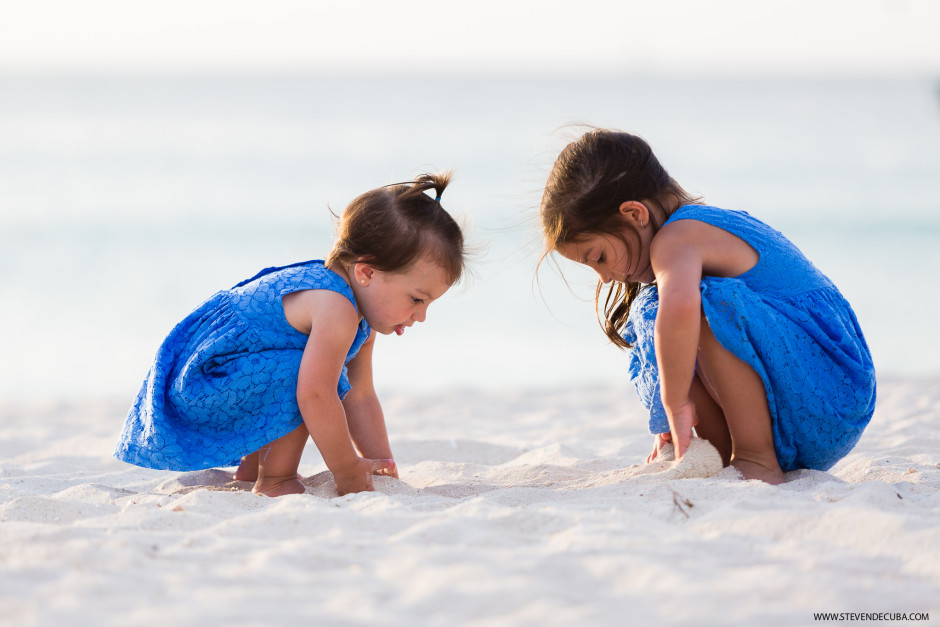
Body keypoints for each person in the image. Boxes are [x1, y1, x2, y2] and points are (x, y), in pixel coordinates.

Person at [539, 129, 875, 484]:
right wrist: (668, 418)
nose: (604, 278)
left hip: (829, 385)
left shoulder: (678, 237)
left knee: (701, 304)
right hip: (806, 398)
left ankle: (756, 458)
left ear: (635, 214)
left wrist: (674, 401)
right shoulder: (683, 239)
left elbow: (682, 310)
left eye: (600, 258)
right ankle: (725, 454)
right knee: (651, 312)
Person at [114, 172, 465, 496]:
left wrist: (382, 466)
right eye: (417, 299)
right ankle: (275, 478)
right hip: (198, 385)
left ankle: (252, 468)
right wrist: (346, 472)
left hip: (228, 378)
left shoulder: (357, 314)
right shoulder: (335, 309)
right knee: (306, 374)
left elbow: (360, 397)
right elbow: (315, 395)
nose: (421, 316)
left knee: (297, 366)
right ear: (367, 273)